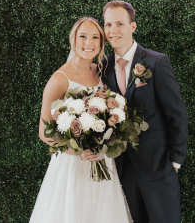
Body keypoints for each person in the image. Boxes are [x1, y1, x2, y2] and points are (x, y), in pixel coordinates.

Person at [29, 17, 132, 223]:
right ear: (73, 40)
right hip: (71, 165)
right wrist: (77, 152)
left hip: (101, 160)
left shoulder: (101, 72)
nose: (89, 43)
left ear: (101, 44)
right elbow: (43, 132)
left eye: (95, 37)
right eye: (83, 36)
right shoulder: (59, 79)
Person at [101, 1, 189, 223]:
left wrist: (175, 162)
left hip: (158, 167)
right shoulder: (102, 67)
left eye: (120, 23)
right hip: (121, 170)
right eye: (108, 24)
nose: (113, 30)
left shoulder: (157, 62)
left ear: (133, 26)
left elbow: (177, 114)